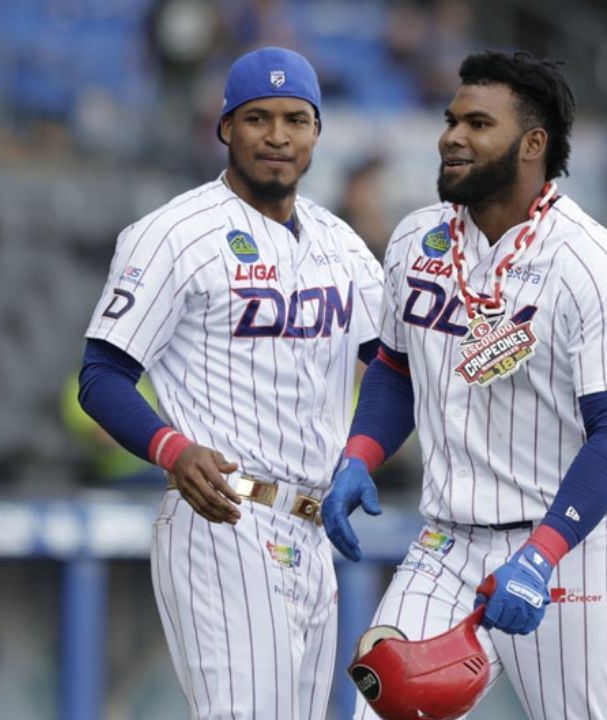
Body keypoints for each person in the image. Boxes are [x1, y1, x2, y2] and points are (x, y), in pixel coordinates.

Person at [321, 50, 607, 720]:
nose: (452, 136)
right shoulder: (417, 240)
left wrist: (544, 551)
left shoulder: (594, 265)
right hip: (447, 539)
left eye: (478, 123)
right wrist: (359, 452)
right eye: (451, 120)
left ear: (533, 144)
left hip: (571, 548)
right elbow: (395, 366)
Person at [77, 47, 384, 719]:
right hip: (224, 514)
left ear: (317, 131)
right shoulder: (172, 234)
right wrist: (171, 448)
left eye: (296, 119)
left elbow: (393, 367)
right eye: (258, 118)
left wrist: (364, 452)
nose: (278, 136)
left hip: (312, 524)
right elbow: (101, 376)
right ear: (225, 128)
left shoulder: (343, 244)